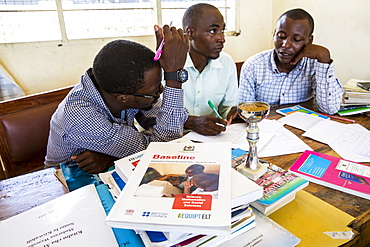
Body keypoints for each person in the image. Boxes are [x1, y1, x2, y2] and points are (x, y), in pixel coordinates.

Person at [45, 25, 189, 174]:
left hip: (104, 171)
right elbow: (163, 147)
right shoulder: (81, 118)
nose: (161, 91)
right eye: (154, 92)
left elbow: (156, 122)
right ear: (123, 98)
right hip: (66, 180)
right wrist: (174, 77)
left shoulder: (118, 85)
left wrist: (113, 155)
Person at [238, 8, 343, 115]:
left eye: (296, 39)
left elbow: (329, 109)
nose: (286, 45)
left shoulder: (315, 65)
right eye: (281, 36)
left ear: (309, 41)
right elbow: (245, 112)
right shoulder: (253, 65)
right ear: (274, 34)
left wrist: (324, 58)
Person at [181, 3, 239, 136]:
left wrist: (232, 113)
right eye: (213, 31)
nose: (222, 39)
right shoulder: (168, 64)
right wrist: (190, 122)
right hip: (173, 139)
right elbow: (149, 116)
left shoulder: (226, 63)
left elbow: (227, 108)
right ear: (190, 33)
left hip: (212, 139)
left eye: (222, 30)